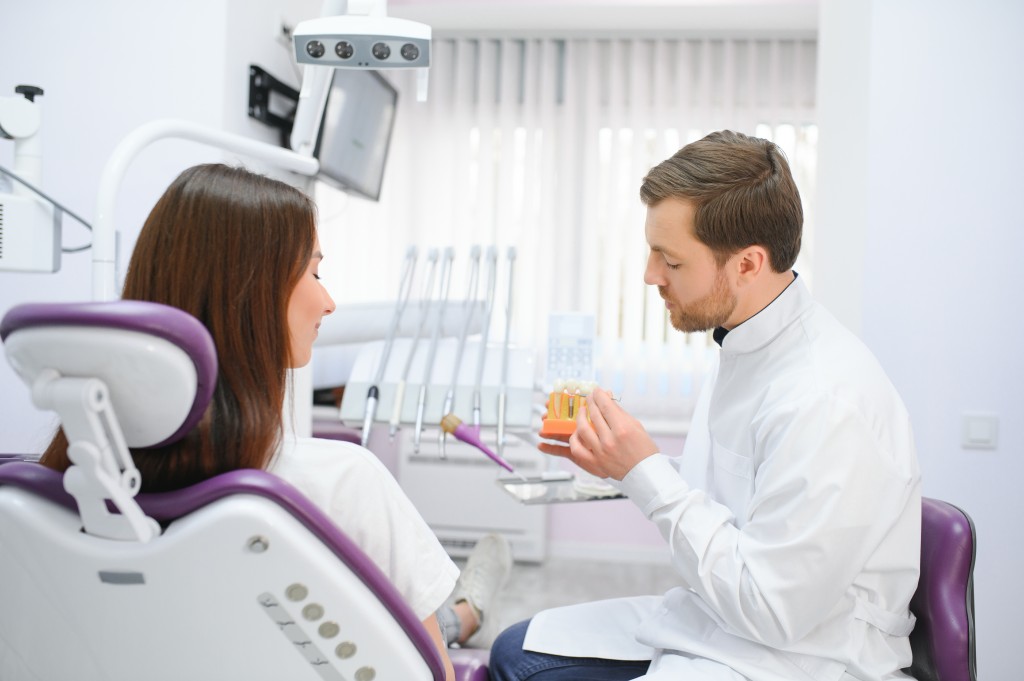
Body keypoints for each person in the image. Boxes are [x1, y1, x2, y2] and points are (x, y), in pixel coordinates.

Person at [37, 163, 510, 676]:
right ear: (252, 289)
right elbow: (429, 671)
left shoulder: (64, 486)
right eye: (315, 272)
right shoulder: (345, 481)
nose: (328, 301)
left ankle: (460, 607)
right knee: (431, 623)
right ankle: (466, 609)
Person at [489, 131, 922, 681]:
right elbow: (748, 490)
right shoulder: (744, 345)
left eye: (670, 260)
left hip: (804, 654)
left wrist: (645, 473)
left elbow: (773, 609)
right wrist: (622, 465)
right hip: (726, 622)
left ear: (747, 264)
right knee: (514, 650)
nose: (650, 276)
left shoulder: (827, 398)